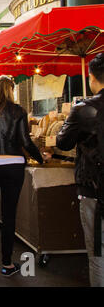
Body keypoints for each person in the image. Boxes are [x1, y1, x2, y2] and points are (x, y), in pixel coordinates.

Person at [0, 75, 49, 277]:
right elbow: (25, 141)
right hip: (14, 165)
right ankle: (7, 264)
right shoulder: (19, 111)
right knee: (9, 213)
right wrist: (41, 159)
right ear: (11, 90)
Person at [56, 53, 104, 287]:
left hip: (94, 187)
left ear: (92, 77)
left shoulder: (84, 109)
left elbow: (63, 142)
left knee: (98, 254)